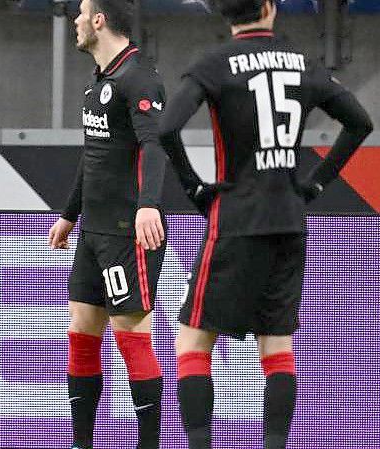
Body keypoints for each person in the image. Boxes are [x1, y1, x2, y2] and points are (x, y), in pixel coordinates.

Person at [157, 0, 373, 448]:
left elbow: (166, 128)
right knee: (276, 346)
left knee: (194, 341)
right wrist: (314, 185)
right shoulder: (302, 62)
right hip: (289, 220)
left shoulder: (213, 64)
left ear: (225, 14)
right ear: (270, 8)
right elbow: (359, 122)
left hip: (235, 218)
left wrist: (195, 186)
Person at [48, 1, 169, 448]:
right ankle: (81, 443)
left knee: (132, 335)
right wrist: (68, 213)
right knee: (80, 332)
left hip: (127, 230)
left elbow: (154, 144)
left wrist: (148, 205)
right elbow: (93, 156)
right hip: (92, 232)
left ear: (99, 20)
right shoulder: (101, 81)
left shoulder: (140, 75)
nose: (75, 21)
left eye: (81, 13)